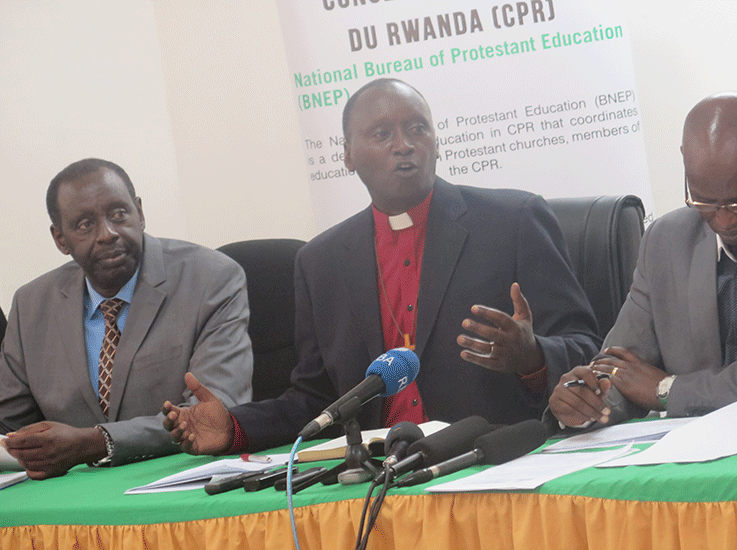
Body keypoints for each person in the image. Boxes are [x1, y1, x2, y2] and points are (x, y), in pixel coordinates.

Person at [163, 78, 600, 454]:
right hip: (376, 473)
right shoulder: (320, 261)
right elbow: (317, 398)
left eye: (417, 129)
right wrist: (236, 427)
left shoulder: (514, 220)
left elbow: (586, 346)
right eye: (382, 134)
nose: (404, 145)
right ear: (348, 154)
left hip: (491, 457)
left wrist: (534, 357)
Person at [548, 92, 737, 429]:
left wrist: (667, 389)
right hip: (697, 450)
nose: (723, 221)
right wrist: (586, 400)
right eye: (704, 201)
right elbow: (623, 367)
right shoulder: (666, 239)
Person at [0, 158, 253, 479]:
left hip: (183, 481)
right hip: (73, 501)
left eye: (119, 214)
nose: (107, 234)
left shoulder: (212, 278)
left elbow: (215, 413)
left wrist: (94, 442)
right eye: (84, 224)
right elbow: (10, 426)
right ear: (60, 239)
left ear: (140, 213)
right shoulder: (31, 304)